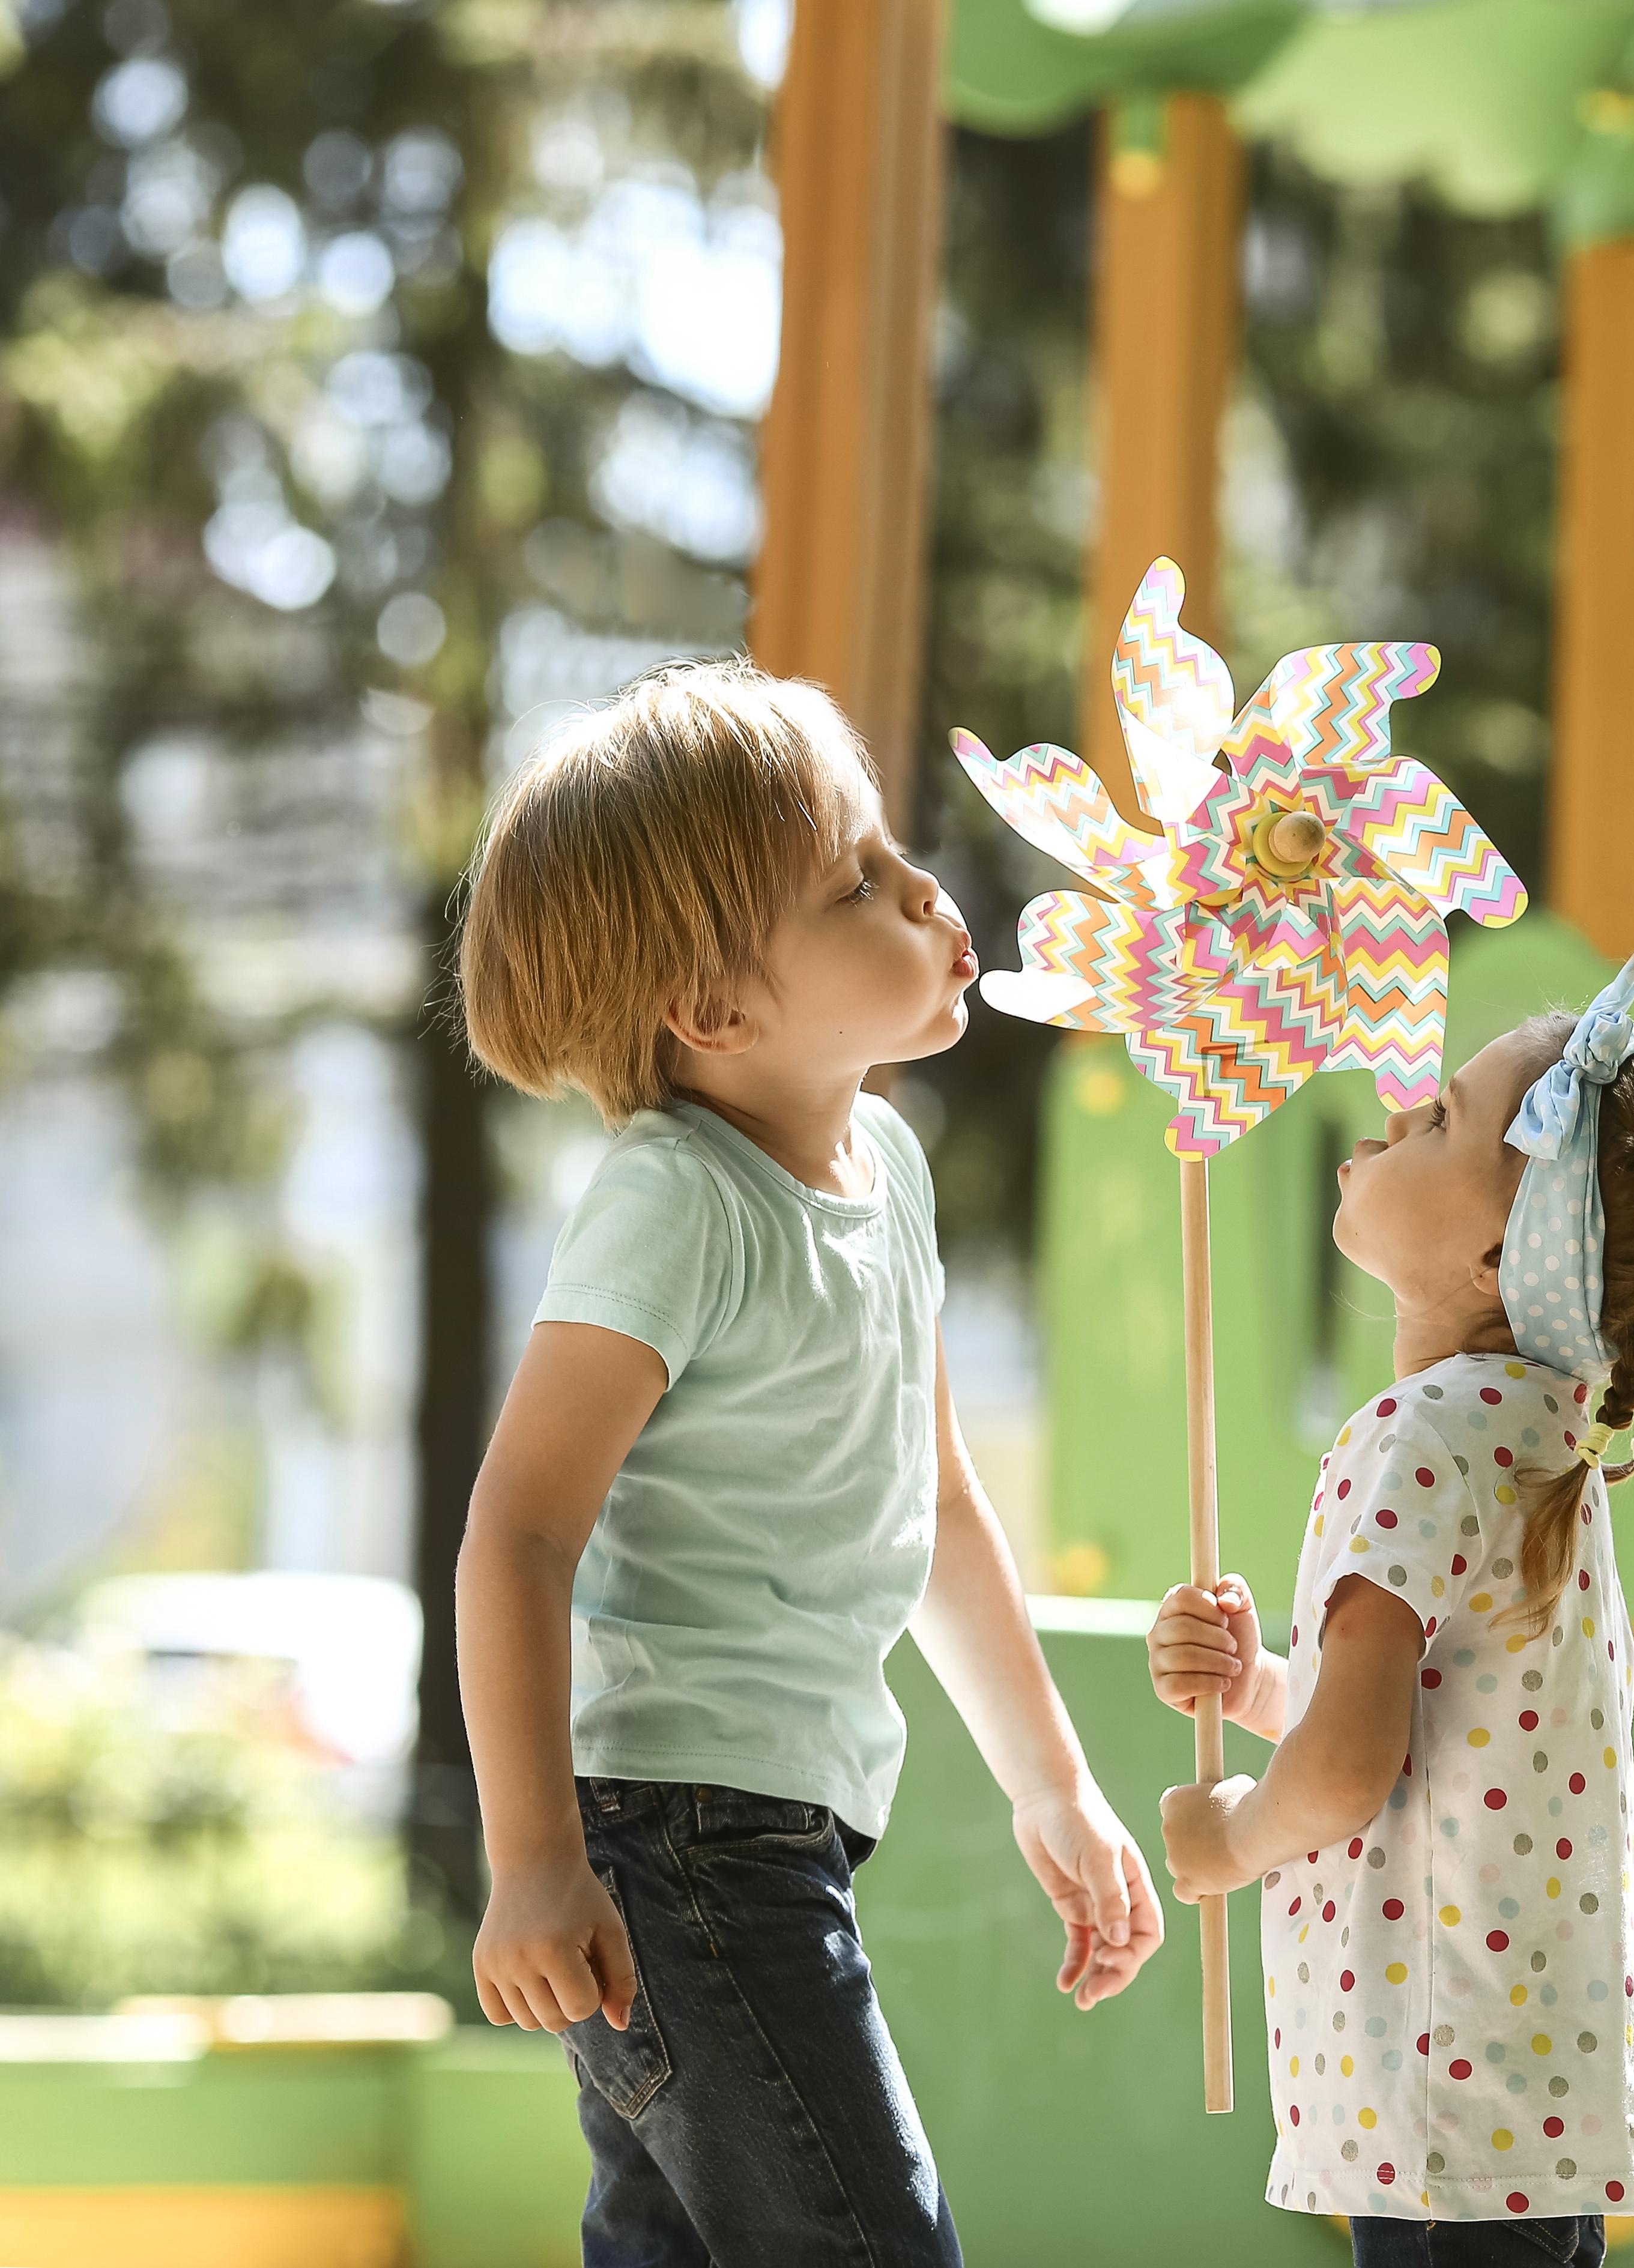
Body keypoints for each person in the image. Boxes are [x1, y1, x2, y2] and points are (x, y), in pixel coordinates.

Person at [453, 659, 1163, 2267]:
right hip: (673, 1839)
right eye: (857, 882)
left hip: (774, 1830)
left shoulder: (887, 1163)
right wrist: (534, 1863)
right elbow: (519, 1531)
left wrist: (1052, 1784)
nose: (924, 889)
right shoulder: (678, 1200)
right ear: (714, 1012)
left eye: (890, 854)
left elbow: (940, 1501)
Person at [1147, 954, 1634, 2266]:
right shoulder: (1541, 1447)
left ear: (1499, 1255)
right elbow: (1435, 1731)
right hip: (1521, 2101)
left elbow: (1353, 1768)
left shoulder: (1416, 1437)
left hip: (1432, 2099)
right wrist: (1265, 1685)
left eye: (1441, 1119)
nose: (1399, 1099)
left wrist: (1231, 1837)